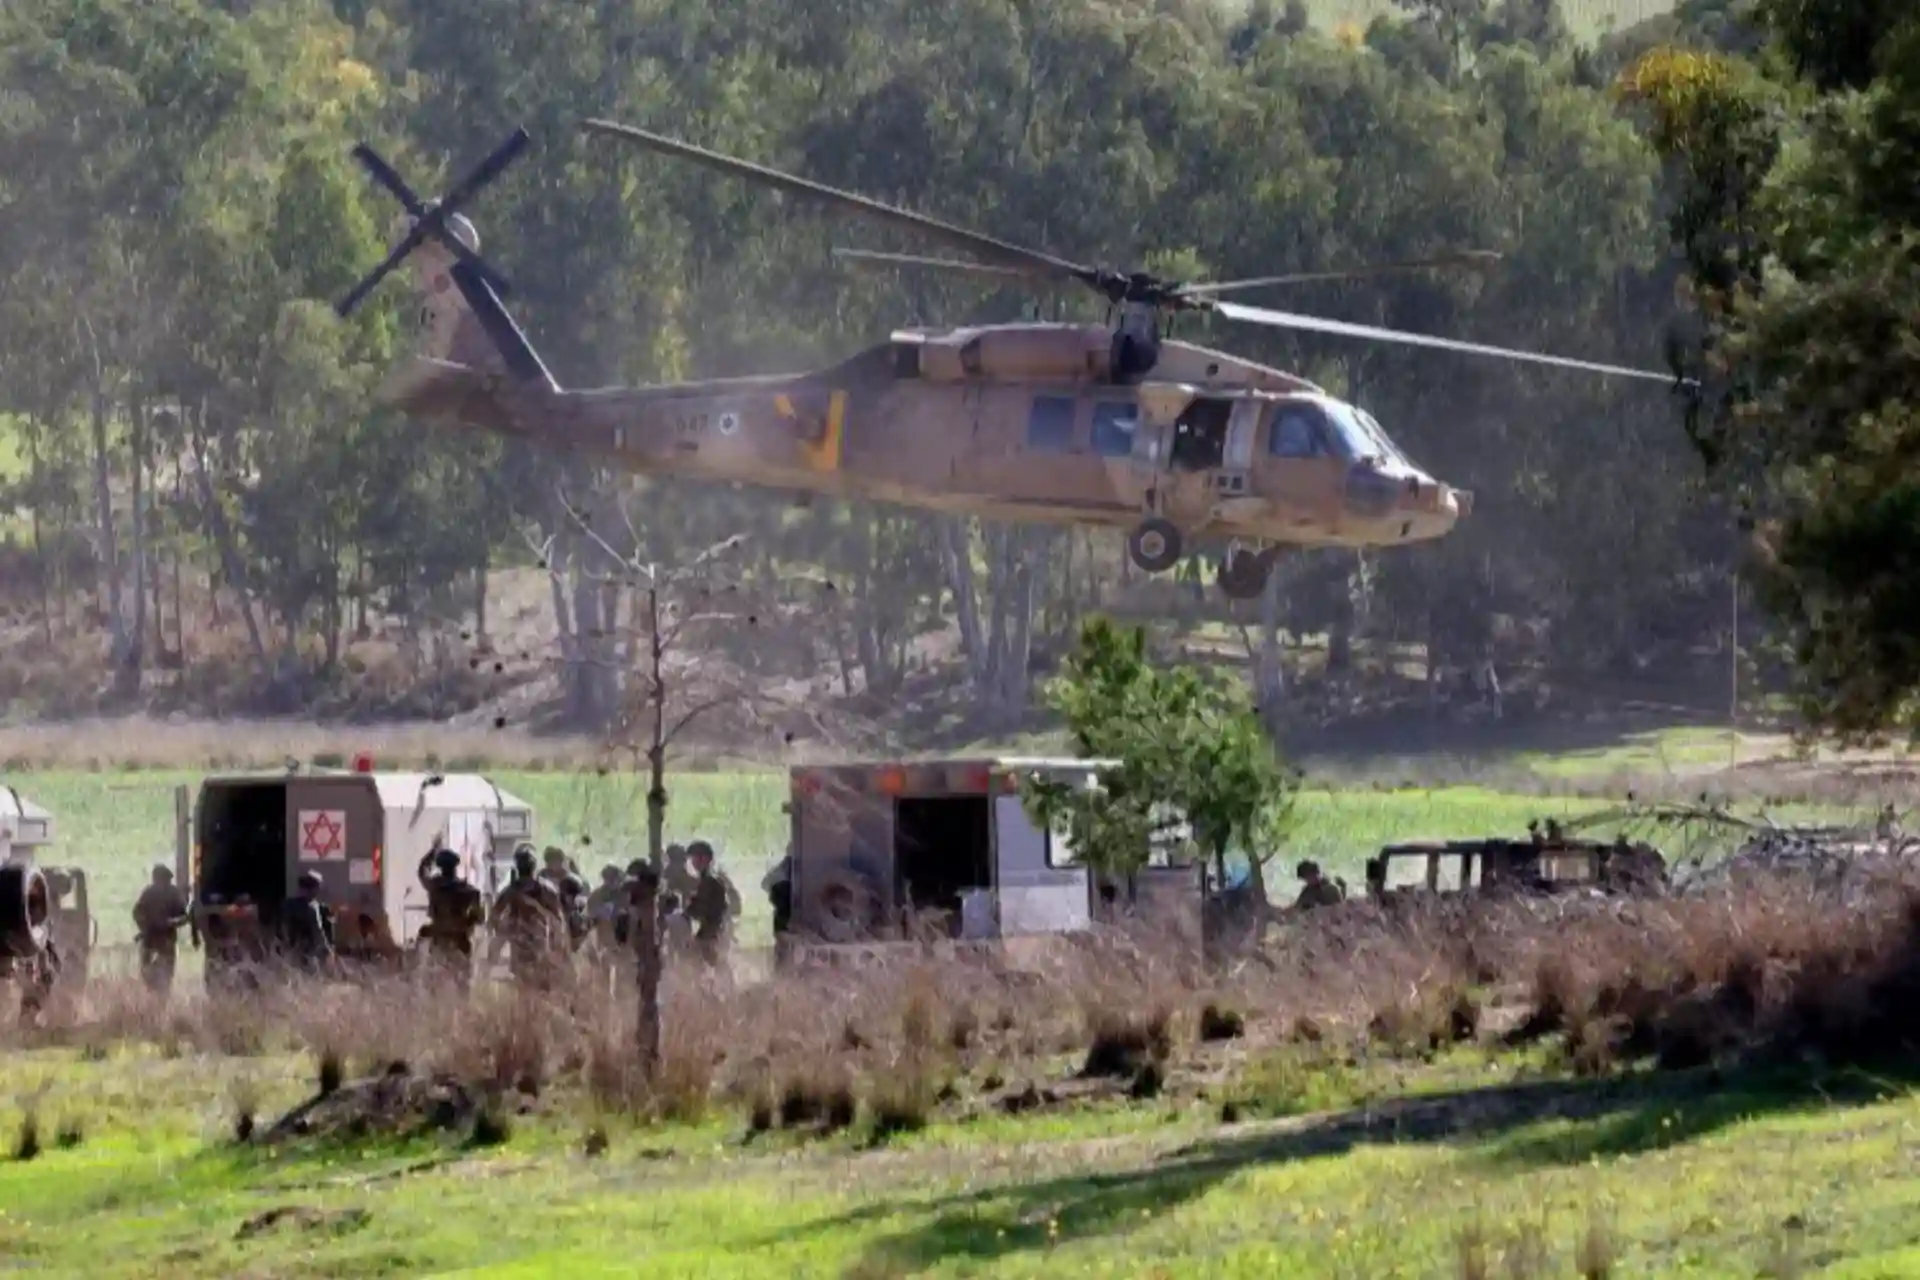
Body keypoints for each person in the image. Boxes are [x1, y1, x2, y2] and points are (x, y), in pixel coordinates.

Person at [489, 846, 565, 990]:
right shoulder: (545, 888)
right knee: (539, 983)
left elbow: (495, 915)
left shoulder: (513, 890)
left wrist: (501, 933)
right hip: (536, 941)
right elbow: (558, 918)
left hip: (524, 941)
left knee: (525, 984)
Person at [420, 846, 485, 990]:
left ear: (440, 867)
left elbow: (422, 872)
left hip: (440, 940)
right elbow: (479, 917)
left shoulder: (435, 887)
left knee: (434, 984)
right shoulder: (468, 891)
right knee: (462, 984)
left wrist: (431, 852)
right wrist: (467, 923)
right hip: (459, 940)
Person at [132, 863, 194, 997]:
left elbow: (183, 916)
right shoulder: (150, 893)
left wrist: (169, 923)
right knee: (149, 973)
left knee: (163, 975)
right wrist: (145, 926)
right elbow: (137, 913)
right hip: (152, 939)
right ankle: (154, 996)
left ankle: (159, 998)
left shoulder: (171, 893)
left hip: (164, 940)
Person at [685, 840, 741, 968]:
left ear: (704, 859)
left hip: (713, 927)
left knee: (708, 960)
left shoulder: (709, 880)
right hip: (714, 926)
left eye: (695, 858)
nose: (693, 863)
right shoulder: (711, 878)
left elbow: (706, 907)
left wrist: (690, 910)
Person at [282, 870, 336, 975]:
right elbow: (318, 931)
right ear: (313, 889)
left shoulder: (287, 904)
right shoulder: (312, 907)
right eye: (317, 888)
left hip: (291, 949)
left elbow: (283, 927)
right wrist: (328, 950)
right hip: (309, 951)